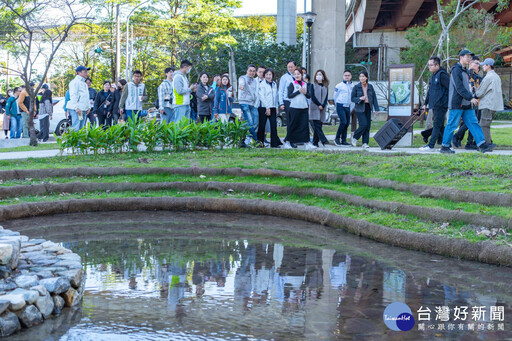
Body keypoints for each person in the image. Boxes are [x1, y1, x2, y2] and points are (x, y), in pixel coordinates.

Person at [440, 50, 493, 154]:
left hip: (467, 104)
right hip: (457, 103)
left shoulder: (466, 71)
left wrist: (472, 92)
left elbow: (466, 87)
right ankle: (444, 147)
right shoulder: (456, 70)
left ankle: (482, 145)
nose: (469, 59)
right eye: (467, 57)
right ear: (461, 57)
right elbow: (459, 88)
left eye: (470, 57)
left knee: (474, 123)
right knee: (452, 125)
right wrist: (470, 98)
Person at [419, 56, 449, 151]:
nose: (429, 67)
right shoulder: (433, 75)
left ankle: (431, 145)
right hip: (433, 104)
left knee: (436, 125)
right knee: (439, 125)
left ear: (437, 65)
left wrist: (445, 101)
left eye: (431, 65)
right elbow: (430, 91)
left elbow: (450, 89)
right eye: (428, 65)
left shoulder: (442, 75)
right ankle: (446, 143)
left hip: (441, 104)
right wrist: (425, 103)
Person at [452, 56, 482, 149]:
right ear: (470, 63)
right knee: (467, 123)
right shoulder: (466, 73)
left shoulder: (477, 76)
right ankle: (457, 137)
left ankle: (469, 142)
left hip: (477, 101)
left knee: (473, 122)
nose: (478, 65)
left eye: (478, 64)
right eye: (476, 63)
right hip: (467, 101)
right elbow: (463, 88)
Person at [475, 58, 503, 146]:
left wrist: (475, 93)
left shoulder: (488, 77)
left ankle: (487, 143)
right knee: (486, 124)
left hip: (487, 104)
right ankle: (489, 142)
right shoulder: (496, 76)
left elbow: (480, 92)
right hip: (494, 104)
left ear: (488, 66)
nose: (482, 66)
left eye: (484, 65)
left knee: (483, 124)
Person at [284, 69, 313, 149]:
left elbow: (309, 95)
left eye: (298, 74)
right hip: (294, 107)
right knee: (292, 125)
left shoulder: (305, 84)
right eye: (295, 74)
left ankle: (307, 143)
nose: (297, 75)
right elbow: (289, 95)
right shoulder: (292, 84)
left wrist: (305, 93)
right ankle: (287, 142)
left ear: (301, 75)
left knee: (304, 126)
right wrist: (298, 91)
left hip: (304, 107)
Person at [350, 71, 379, 149]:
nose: (361, 78)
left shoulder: (370, 86)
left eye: (363, 76)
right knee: (363, 124)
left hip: (368, 107)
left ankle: (365, 143)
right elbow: (352, 98)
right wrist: (359, 98)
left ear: (366, 77)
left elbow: (374, 98)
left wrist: (376, 108)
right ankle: (355, 138)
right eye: (360, 76)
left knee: (367, 126)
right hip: (359, 108)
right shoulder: (356, 87)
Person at [257, 68, 281, 148]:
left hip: (273, 107)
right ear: (264, 75)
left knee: (273, 126)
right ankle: (260, 143)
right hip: (264, 107)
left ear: (272, 75)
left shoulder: (274, 84)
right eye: (267, 74)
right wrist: (267, 108)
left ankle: (274, 144)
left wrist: (277, 107)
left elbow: (276, 96)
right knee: (262, 126)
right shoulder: (262, 84)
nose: (268, 76)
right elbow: (262, 97)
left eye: (270, 74)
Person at [238, 64, 259, 145]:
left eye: (253, 71)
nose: (252, 73)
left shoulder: (255, 81)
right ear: (247, 71)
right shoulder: (242, 78)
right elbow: (241, 84)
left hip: (252, 103)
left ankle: (242, 141)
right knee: (250, 122)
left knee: (248, 123)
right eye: (250, 71)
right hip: (244, 102)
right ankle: (256, 141)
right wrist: (241, 86)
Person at [333, 70, 355, 146]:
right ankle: (336, 138)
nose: (347, 77)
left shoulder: (353, 86)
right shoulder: (339, 86)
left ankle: (343, 140)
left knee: (347, 123)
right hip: (340, 105)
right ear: (343, 76)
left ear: (351, 76)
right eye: (345, 75)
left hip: (348, 106)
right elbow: (335, 96)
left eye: (348, 75)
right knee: (343, 122)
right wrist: (337, 104)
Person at [67, 66, 92, 131]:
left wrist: (88, 107)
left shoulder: (84, 84)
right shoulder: (74, 82)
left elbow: (86, 96)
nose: (86, 73)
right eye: (85, 71)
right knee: (76, 127)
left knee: (81, 128)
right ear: (79, 72)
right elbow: (73, 95)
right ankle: (74, 141)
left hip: (83, 109)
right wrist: (76, 107)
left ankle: (80, 141)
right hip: (77, 109)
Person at [309, 69, 329, 147]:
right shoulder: (312, 85)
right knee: (316, 125)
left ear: (323, 77)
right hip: (315, 107)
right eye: (317, 75)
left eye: (320, 75)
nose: (318, 76)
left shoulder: (325, 87)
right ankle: (323, 140)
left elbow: (326, 97)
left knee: (319, 126)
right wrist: (319, 104)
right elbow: (312, 96)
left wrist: (323, 105)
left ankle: (315, 142)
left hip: (322, 108)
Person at [278, 61, 296, 141]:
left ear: (295, 67)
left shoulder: (297, 76)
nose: (290, 68)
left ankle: (294, 137)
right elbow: (280, 90)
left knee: (295, 120)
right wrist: (281, 103)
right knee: (290, 121)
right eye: (288, 67)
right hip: (287, 101)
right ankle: (289, 138)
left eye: (291, 66)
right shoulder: (284, 77)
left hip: (296, 101)